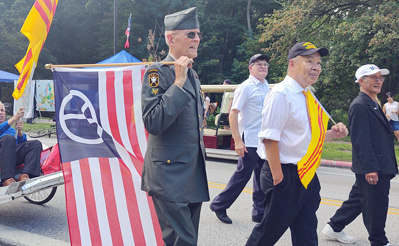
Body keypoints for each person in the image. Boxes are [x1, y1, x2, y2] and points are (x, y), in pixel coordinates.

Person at [245, 42, 348, 246]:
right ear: (292, 64)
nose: (316, 67)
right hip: (284, 174)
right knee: (267, 233)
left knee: (307, 232)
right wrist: (279, 179)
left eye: (318, 62)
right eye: (309, 61)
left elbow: (307, 135)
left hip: (306, 173)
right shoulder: (281, 93)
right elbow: (269, 138)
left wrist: (334, 134)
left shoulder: (308, 95)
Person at [141, 7, 209, 246]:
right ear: (171, 38)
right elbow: (153, 122)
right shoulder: (157, 72)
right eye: (190, 34)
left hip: (191, 175)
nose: (197, 39)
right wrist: (177, 84)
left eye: (198, 34)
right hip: (168, 176)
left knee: (185, 241)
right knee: (184, 242)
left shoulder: (193, 74)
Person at [322, 64, 398, 246]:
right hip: (374, 166)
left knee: (359, 199)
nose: (379, 81)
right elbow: (361, 140)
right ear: (361, 81)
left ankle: (334, 226)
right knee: (376, 205)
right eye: (374, 77)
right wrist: (370, 168)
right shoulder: (360, 104)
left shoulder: (373, 101)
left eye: (380, 77)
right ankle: (378, 241)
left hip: (380, 163)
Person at [210, 54, 270, 224]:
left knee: (261, 177)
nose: (263, 67)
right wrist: (238, 140)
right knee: (242, 175)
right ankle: (219, 205)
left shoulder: (266, 86)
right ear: (250, 68)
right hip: (249, 139)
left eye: (265, 64)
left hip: (262, 140)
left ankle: (259, 212)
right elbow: (233, 114)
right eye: (259, 64)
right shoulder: (245, 87)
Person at [0, 101, 42, 186]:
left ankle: (26, 175)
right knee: (8, 138)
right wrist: (14, 119)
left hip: (7, 155)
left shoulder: (9, 129)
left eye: (2, 110)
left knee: (35, 143)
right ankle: (8, 179)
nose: (0, 113)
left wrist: (19, 132)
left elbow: (21, 143)